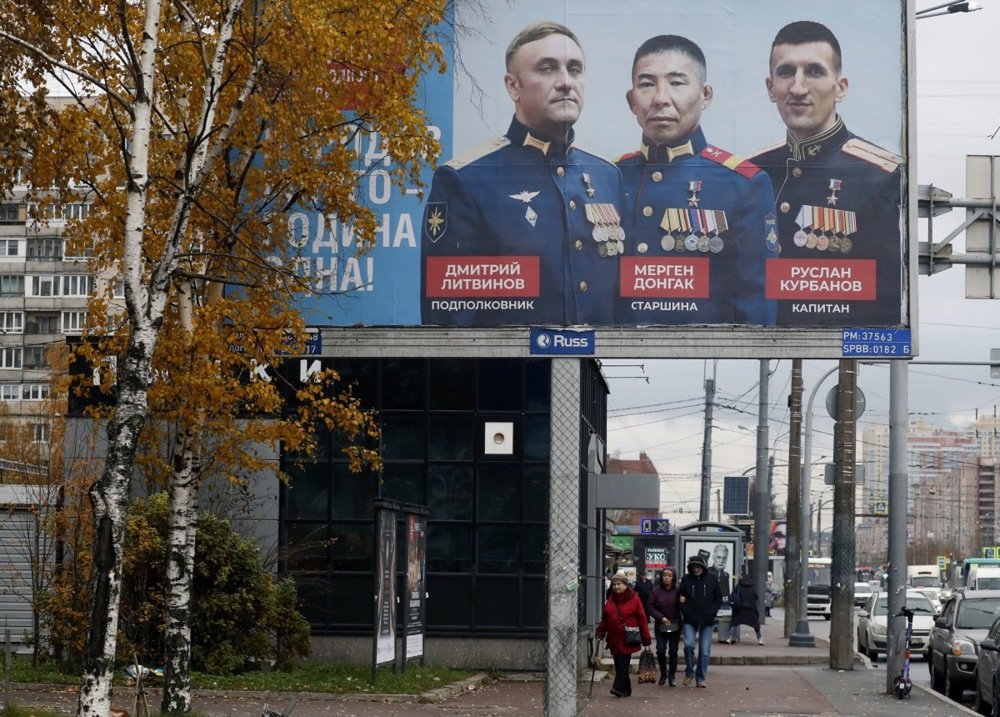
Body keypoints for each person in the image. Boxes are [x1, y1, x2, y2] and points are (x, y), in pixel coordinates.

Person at [421, 21, 625, 327]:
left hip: (590, 371)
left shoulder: (608, 176)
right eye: (547, 68)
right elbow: (449, 320)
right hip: (509, 373)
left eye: (575, 68)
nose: (566, 82)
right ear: (513, 86)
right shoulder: (465, 179)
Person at [616, 34, 778, 326]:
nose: (660, 98)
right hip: (614, 359)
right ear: (631, 100)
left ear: (706, 95)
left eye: (677, 83)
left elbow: (758, 306)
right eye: (646, 84)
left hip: (699, 359)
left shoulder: (743, 183)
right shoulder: (609, 178)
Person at [750, 20, 903, 327]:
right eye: (786, 72)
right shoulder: (751, 171)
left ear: (840, 87)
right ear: (771, 87)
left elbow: (887, 297)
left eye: (814, 72)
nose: (798, 87)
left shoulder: (883, 175)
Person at [596, 570, 652, 697]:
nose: (616, 587)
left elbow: (642, 618)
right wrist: (600, 630)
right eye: (614, 584)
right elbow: (605, 617)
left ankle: (618, 688)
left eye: (619, 584)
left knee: (623, 663)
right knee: (619, 664)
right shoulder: (611, 599)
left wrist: (646, 637)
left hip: (628, 637)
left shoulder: (634, 599)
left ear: (626, 585)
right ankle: (627, 690)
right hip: (614, 638)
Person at [678, 553, 722, 688]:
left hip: (707, 619)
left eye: (698, 566)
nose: (696, 569)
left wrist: (712, 612)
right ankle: (689, 671)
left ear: (703, 567)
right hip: (690, 619)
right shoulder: (686, 579)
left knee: (704, 650)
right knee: (689, 645)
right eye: (693, 567)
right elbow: (681, 598)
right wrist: (686, 611)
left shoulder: (712, 579)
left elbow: (718, 598)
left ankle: (700, 677)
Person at [646, 566, 682, 686]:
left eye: (669, 575)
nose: (667, 578)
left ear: (673, 578)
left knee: (673, 651)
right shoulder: (656, 591)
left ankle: (672, 676)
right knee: (661, 650)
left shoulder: (678, 591)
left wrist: (683, 601)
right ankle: (663, 673)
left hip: (675, 624)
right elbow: (650, 607)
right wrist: (661, 617)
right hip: (661, 624)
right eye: (665, 575)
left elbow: (683, 607)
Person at [724, 574, 764, 645]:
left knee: (734, 623)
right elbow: (756, 597)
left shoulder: (739, 586)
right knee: (756, 625)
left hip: (740, 609)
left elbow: (733, 595)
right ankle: (760, 639)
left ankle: (729, 638)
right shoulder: (752, 587)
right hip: (751, 609)